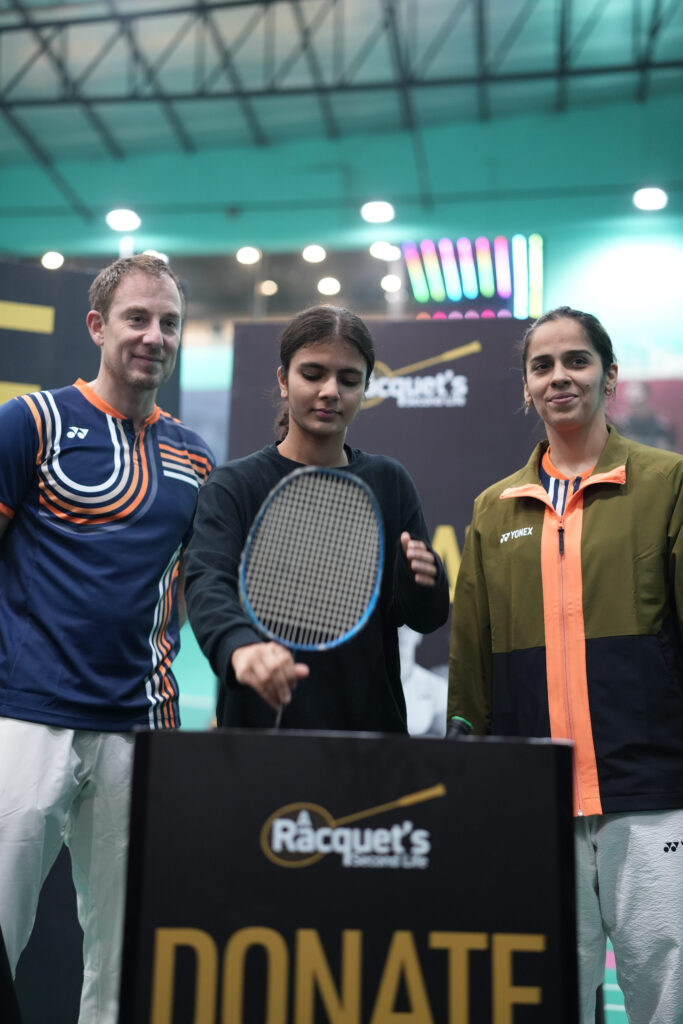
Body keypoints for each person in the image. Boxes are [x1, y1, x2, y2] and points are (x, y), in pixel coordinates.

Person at [447, 306, 683, 1023]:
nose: (559, 377)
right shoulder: (493, 510)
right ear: (526, 386)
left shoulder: (667, 482)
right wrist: (476, 778)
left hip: (651, 794)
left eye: (576, 361)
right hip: (537, 803)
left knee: (666, 1000)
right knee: (548, 997)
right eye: (542, 365)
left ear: (608, 377)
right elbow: (471, 664)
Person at [0, 253, 215, 1023]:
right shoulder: (29, 423)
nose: (154, 336)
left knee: (125, 962)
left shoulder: (196, 457)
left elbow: (195, 589)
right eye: (137, 318)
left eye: (169, 323)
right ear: (97, 326)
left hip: (140, 728)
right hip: (25, 718)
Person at [184, 304, 449, 731]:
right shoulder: (234, 485)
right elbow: (207, 582)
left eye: (349, 380)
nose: (330, 391)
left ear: (366, 387)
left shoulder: (390, 482)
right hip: (259, 737)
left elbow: (423, 617)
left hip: (369, 737)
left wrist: (427, 578)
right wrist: (241, 647)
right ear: (283, 380)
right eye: (312, 374)